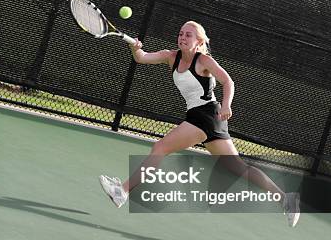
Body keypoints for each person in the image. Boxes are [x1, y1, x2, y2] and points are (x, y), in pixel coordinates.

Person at [99, 21, 300, 227]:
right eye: (181, 33)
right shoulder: (171, 56)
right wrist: (135, 46)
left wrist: (227, 105)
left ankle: (121, 191)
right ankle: (286, 199)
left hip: (206, 115)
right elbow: (141, 58)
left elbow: (228, 81)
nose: (183, 38)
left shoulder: (203, 60)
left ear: (199, 41)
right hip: (207, 118)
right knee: (237, 167)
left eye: (188, 35)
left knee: (160, 148)